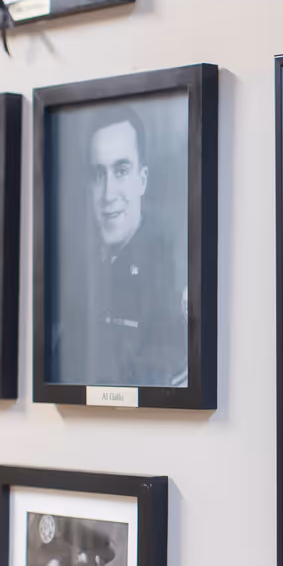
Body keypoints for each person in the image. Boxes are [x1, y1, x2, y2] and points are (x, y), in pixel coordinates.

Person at [52, 105, 186, 387]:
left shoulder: (165, 275)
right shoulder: (77, 275)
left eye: (121, 171)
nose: (108, 194)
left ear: (142, 180)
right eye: (98, 175)